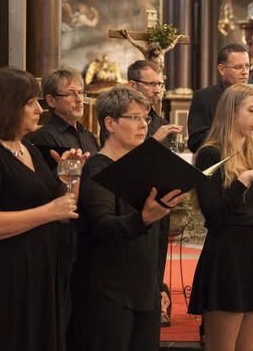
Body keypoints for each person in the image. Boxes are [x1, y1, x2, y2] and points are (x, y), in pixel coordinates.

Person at [0, 68, 84, 350]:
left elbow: (66, 208)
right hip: (5, 276)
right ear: (7, 106)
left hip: (39, 270)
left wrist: (72, 175)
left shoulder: (28, 149)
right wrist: (48, 212)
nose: (39, 109)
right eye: (30, 102)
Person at [68, 86, 187, 350]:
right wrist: (143, 219)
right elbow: (103, 226)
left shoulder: (143, 167)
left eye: (145, 117)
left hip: (144, 289)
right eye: (134, 117)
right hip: (108, 291)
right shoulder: (96, 169)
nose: (143, 124)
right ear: (110, 123)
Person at [187, 43, 253, 344]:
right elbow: (215, 215)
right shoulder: (209, 154)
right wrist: (242, 180)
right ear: (232, 112)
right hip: (226, 255)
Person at [127, 59, 183, 326]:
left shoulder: (159, 120)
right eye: (152, 84)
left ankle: (156, 303)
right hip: (132, 202)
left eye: (161, 84)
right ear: (132, 85)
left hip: (159, 198)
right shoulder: (120, 118)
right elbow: (122, 161)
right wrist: (154, 139)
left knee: (158, 254)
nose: (158, 90)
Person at [188, 43, 253, 155]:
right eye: (238, 67)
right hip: (220, 163)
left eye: (248, 66)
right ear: (222, 69)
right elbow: (195, 142)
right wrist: (231, 129)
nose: (245, 72)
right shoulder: (204, 97)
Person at [28, 68, 99, 169]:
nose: (79, 99)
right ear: (51, 100)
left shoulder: (88, 135)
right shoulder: (45, 138)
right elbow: (51, 182)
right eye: (70, 94)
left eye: (80, 92)